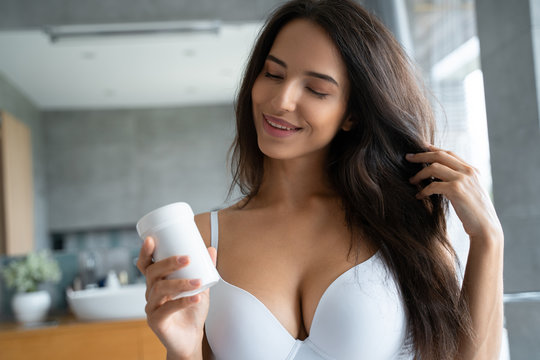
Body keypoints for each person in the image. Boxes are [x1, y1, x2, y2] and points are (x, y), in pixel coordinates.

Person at [137, 0, 504, 359]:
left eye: (316, 89)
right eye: (273, 74)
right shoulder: (201, 240)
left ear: (352, 115)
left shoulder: (403, 224)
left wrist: (488, 239)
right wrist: (181, 350)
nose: (281, 100)